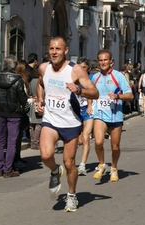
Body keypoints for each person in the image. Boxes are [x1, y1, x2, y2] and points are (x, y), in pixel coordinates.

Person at [36, 36, 99, 212]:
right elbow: (41, 83)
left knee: (69, 163)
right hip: (51, 119)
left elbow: (94, 92)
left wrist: (79, 90)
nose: (54, 52)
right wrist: (40, 99)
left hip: (71, 122)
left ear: (65, 51)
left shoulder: (76, 70)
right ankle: (55, 171)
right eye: (51, 49)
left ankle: (71, 195)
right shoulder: (44, 67)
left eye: (58, 49)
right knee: (46, 155)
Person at [91, 49, 133, 182]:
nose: (103, 62)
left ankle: (113, 168)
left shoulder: (118, 76)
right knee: (98, 141)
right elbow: (91, 93)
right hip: (100, 114)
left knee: (115, 146)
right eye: (101, 60)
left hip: (115, 115)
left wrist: (117, 96)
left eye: (105, 60)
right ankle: (102, 164)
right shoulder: (95, 77)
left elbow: (130, 95)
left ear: (111, 61)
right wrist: (88, 105)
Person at [0, 55, 28, 178]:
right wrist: (25, 108)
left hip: (0, 112)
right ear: (14, 65)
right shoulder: (18, 79)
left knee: (1, 141)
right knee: (12, 141)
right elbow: (23, 98)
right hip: (14, 113)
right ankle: (7, 169)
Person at [76, 57, 94, 176]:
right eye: (80, 67)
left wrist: (89, 105)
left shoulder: (91, 78)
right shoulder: (73, 78)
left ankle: (82, 165)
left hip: (87, 110)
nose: (81, 69)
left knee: (86, 137)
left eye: (84, 67)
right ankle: (71, 162)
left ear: (88, 69)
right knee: (78, 140)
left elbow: (90, 92)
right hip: (75, 111)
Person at [14, 59, 30, 169]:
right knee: (16, 137)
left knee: (17, 137)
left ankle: (17, 157)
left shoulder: (18, 79)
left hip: (15, 111)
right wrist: (30, 101)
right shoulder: (20, 80)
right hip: (19, 111)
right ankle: (16, 159)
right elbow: (22, 97)